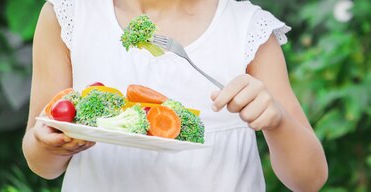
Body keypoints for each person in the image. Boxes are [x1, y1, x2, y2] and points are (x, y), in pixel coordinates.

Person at [22, 0, 328, 191]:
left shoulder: (245, 28)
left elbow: (309, 180)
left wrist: (277, 121)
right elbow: (41, 164)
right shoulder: (69, 15)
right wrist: (50, 145)